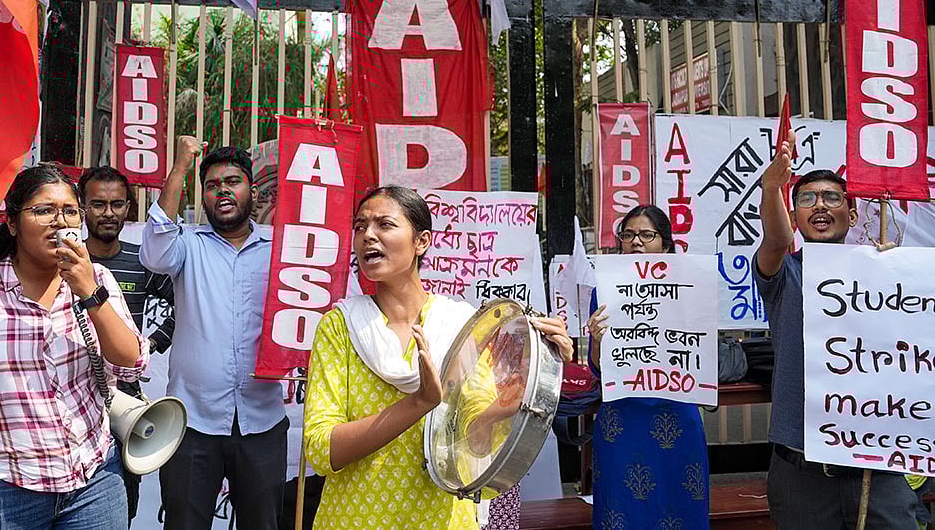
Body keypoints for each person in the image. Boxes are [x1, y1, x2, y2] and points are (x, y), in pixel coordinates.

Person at [304, 185, 573, 530]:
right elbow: (322, 449)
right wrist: (418, 404)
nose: (368, 235)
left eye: (384, 224)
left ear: (421, 242)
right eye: (360, 226)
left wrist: (528, 387)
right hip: (355, 517)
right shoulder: (340, 327)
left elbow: (472, 441)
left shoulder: (460, 325)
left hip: (442, 519)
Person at [0, 164, 149, 529]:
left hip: (93, 483)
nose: (59, 222)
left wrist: (88, 292)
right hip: (0, 490)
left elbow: (131, 363)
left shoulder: (97, 279)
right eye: (43, 210)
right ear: (13, 223)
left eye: (69, 211)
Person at [757, 134, 918, 529]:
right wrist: (772, 186)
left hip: (878, 468)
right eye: (807, 199)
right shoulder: (785, 272)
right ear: (794, 216)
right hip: (802, 473)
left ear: (851, 210)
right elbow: (776, 239)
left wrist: (892, 275)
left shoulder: (887, 275)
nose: (820, 206)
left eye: (832, 197)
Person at [141, 137, 287, 530]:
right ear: (202, 195)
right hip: (192, 424)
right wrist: (180, 168)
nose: (222, 189)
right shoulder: (187, 244)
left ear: (251, 190)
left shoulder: (281, 249)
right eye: (212, 184)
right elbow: (154, 252)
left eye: (233, 181)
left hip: (263, 421)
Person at [586, 204, 710, 530]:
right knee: (621, 513)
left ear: (666, 245)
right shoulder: (604, 290)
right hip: (621, 424)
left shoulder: (692, 289)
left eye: (646, 234)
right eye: (628, 235)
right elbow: (598, 370)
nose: (636, 242)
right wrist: (597, 340)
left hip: (677, 419)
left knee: (681, 508)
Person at [78, 165, 176, 525]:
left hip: (125, 400)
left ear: (128, 208)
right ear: (82, 206)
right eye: (98, 204)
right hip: (69, 397)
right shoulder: (65, 260)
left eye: (117, 204)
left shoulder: (142, 260)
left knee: (121, 505)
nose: (108, 213)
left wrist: (150, 344)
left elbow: (185, 305)